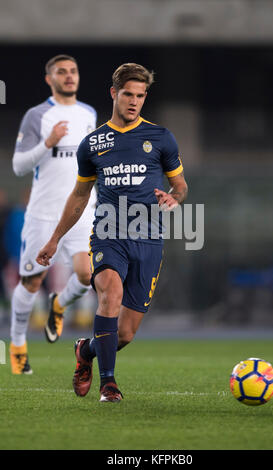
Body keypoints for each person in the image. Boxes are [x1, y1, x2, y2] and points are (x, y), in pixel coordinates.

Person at [36, 63, 188, 402]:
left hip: (148, 239)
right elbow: (79, 196)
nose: (134, 101)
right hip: (108, 234)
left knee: (125, 334)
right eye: (128, 94)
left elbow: (180, 186)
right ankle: (109, 384)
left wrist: (173, 197)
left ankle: (86, 351)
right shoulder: (93, 144)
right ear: (114, 93)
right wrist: (54, 238)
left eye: (140, 95)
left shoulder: (161, 138)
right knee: (110, 294)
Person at [10, 54, 97, 374]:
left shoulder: (88, 113)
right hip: (44, 214)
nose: (69, 76)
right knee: (32, 281)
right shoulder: (38, 116)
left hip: (82, 209)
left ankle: (59, 304)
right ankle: (18, 342)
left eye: (73, 70)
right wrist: (48, 142)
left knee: (87, 274)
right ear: (50, 79)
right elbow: (19, 166)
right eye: (62, 72)